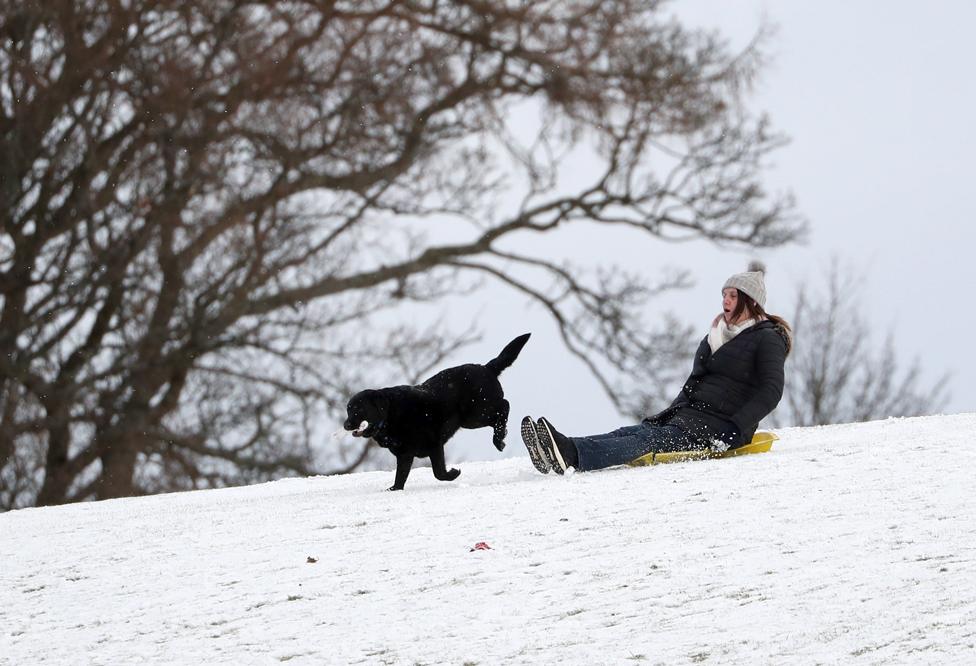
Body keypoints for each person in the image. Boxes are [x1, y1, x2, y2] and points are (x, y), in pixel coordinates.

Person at [521, 261, 793, 474]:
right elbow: (694, 383)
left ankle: (571, 453)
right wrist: (670, 413)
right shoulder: (716, 336)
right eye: (724, 294)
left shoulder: (768, 338)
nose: (725, 301)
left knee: (644, 444)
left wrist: (735, 428)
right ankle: (557, 448)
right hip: (689, 418)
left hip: (720, 429)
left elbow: (770, 391)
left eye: (733, 296)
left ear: (751, 301)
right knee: (631, 432)